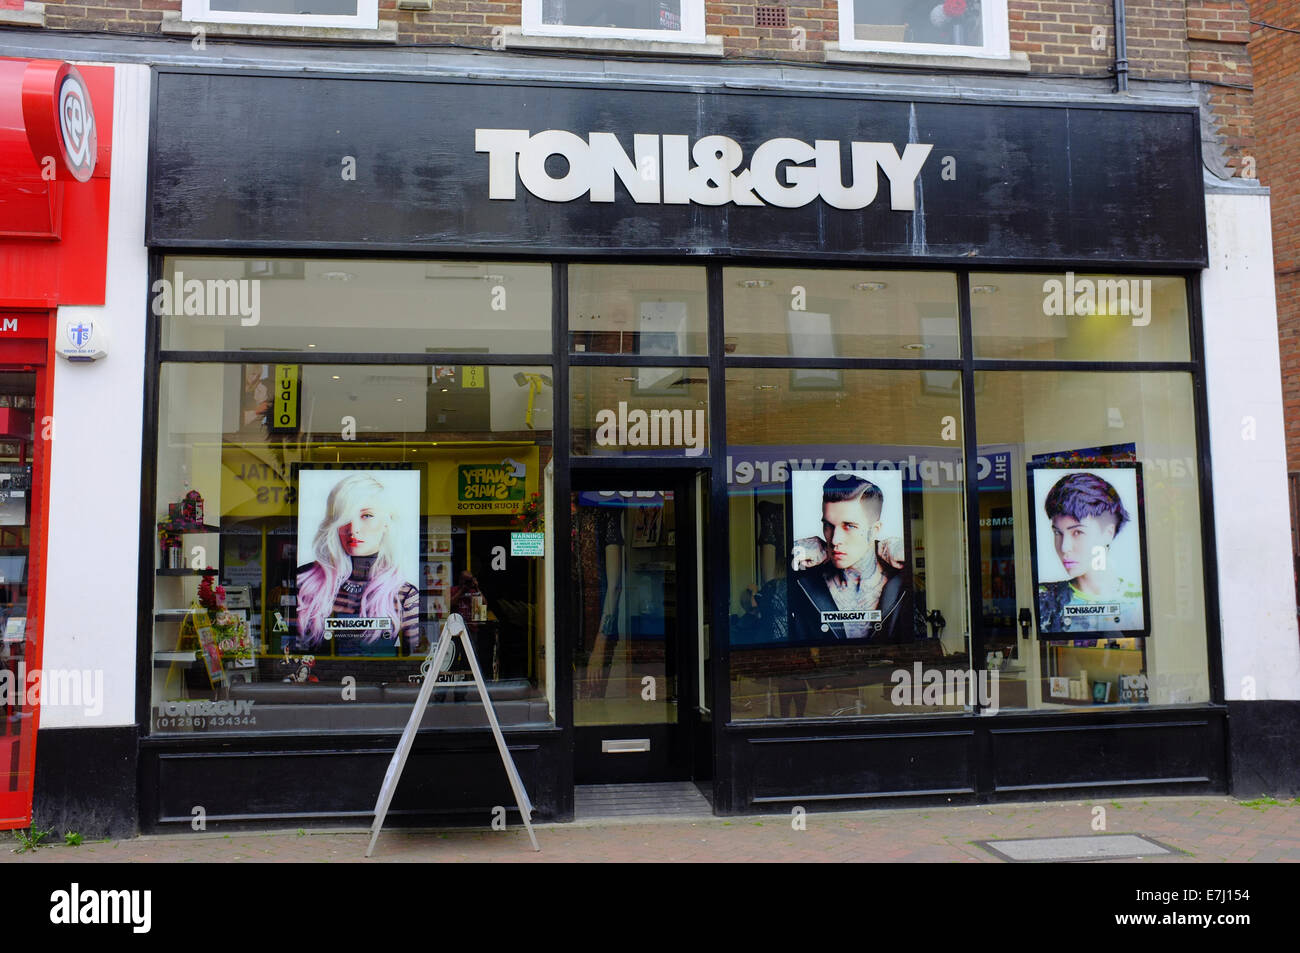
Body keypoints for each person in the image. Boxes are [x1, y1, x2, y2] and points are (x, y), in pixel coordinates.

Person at [296, 473, 420, 655]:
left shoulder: (404, 595)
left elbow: (413, 660)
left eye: (367, 515)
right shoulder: (305, 582)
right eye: (344, 517)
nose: (353, 529)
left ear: (387, 523)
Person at [788, 473, 911, 642]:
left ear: (874, 530)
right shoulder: (804, 582)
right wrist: (791, 552)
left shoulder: (902, 584)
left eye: (850, 526)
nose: (835, 540)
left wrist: (910, 558)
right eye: (828, 526)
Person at [1036, 471, 1143, 633]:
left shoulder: (1137, 601)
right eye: (1057, 532)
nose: (1064, 547)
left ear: (1108, 533)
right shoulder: (1044, 598)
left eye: (1077, 532)